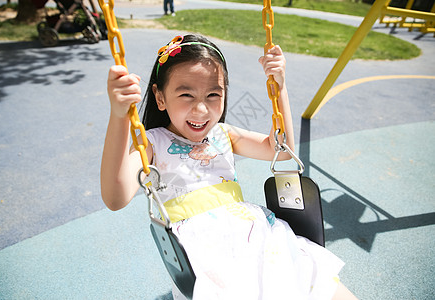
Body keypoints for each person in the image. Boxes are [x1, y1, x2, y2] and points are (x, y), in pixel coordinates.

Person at [101, 34, 358, 299]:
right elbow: (115, 198)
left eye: (213, 94)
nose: (201, 110)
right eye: (186, 94)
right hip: (202, 250)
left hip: (255, 236)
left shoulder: (224, 134)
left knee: (315, 282)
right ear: (160, 97)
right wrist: (119, 116)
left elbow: (280, 150)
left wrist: (279, 88)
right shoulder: (152, 143)